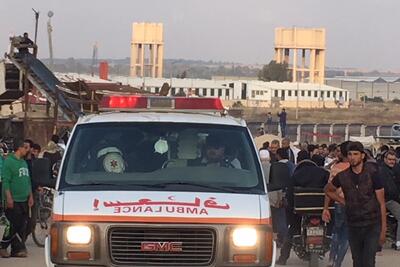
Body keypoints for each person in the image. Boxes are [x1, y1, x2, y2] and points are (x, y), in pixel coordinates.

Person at [325, 141, 386, 267]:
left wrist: (383, 229)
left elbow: (381, 203)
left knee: (368, 261)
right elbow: (328, 189)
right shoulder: (342, 176)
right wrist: (342, 201)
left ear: (362, 156)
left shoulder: (373, 174)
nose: (353, 157)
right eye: (350, 154)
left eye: (356, 154)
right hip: (353, 224)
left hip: (372, 223)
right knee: (357, 261)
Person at [276, 150, 329, 265]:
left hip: (300, 211)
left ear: (298, 160)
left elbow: (290, 194)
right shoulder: (323, 172)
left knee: (292, 230)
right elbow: (330, 188)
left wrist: (288, 205)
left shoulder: (296, 174)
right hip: (321, 210)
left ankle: (283, 258)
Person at [0, 139, 33, 258]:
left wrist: (30, 196)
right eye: (26, 148)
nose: (27, 150)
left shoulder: (23, 163)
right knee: (13, 224)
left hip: (24, 199)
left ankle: (17, 249)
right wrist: (8, 197)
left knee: (23, 225)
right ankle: (3, 246)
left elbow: (27, 180)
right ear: (20, 148)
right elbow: (6, 181)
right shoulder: (9, 162)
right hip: (13, 200)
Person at [323, 141, 351, 267]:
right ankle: (338, 263)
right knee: (346, 235)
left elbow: (329, 190)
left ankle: (331, 259)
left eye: (339, 151)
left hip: (339, 204)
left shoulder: (336, 168)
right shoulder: (356, 167)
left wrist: (326, 208)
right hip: (353, 206)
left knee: (336, 232)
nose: (337, 153)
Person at [379, 150, 400, 250]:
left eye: (393, 160)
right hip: (387, 199)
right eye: (390, 159)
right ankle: (399, 242)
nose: (392, 161)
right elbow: (389, 190)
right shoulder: (382, 171)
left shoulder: (395, 169)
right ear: (385, 159)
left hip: (391, 199)